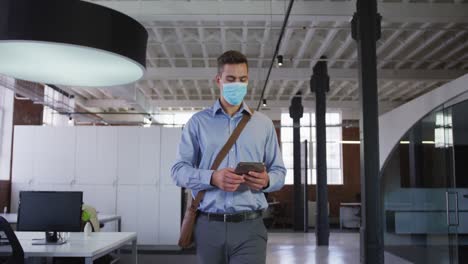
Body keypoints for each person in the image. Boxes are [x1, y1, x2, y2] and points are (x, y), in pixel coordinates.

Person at [171, 50, 286, 264]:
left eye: (242, 80)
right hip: (209, 226)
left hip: (251, 227)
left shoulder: (263, 124)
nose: (237, 85)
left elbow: (279, 171)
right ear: (218, 80)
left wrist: (267, 180)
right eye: (231, 79)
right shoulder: (197, 123)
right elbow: (178, 171)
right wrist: (212, 177)